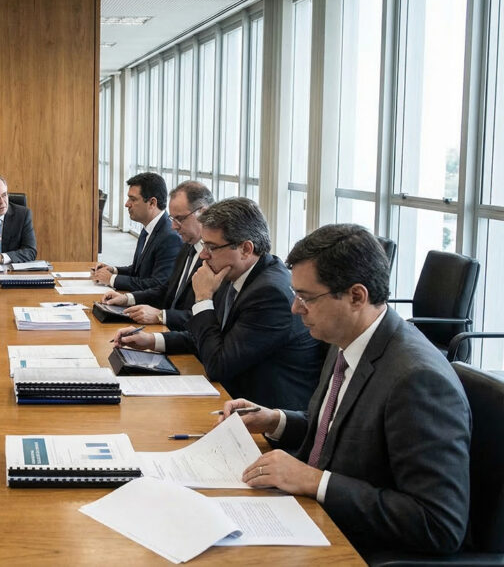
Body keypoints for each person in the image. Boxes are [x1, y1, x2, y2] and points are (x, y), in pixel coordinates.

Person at [222, 224, 471, 558]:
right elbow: (339, 430)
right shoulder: (346, 339)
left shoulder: (418, 380)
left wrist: (314, 481)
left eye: (306, 298)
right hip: (308, 519)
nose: (295, 309)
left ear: (356, 296)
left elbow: (437, 523)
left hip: (351, 546)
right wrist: (276, 420)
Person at [113, 197, 322, 410]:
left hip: (263, 416)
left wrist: (203, 298)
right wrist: (151, 340)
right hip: (231, 396)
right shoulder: (235, 270)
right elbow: (212, 336)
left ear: (246, 249)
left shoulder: (270, 294)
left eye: (211, 247)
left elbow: (218, 364)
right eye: (204, 245)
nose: (203, 255)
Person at [101, 180, 212, 328]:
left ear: (202, 213)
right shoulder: (188, 245)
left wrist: (161, 316)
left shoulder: (214, 257)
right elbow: (167, 288)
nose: (173, 226)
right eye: (172, 219)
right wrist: (127, 298)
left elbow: (206, 319)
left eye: (179, 219)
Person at [91, 172, 181, 291]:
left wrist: (112, 279)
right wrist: (112, 270)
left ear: (152, 203)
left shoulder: (170, 237)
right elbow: (139, 270)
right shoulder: (147, 228)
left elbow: (158, 284)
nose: (127, 204)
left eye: (132, 199)